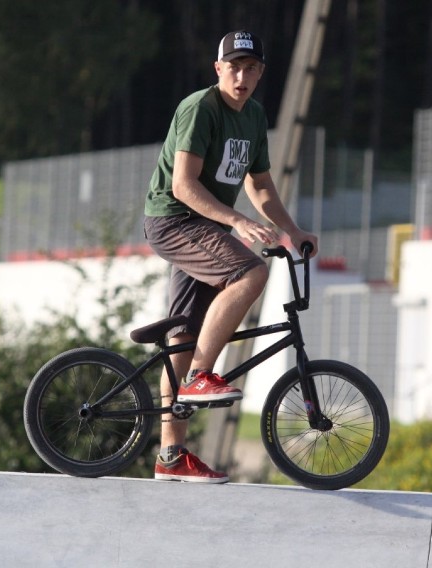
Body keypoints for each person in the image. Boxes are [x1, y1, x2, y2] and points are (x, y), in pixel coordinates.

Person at [143, 30, 319, 483]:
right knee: (249, 273)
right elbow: (183, 186)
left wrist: (292, 230)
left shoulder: (254, 117)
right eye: (233, 67)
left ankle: (171, 457)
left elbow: (259, 187)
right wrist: (238, 223)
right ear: (218, 69)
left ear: (261, 73)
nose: (241, 76)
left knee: (181, 339)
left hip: (205, 227)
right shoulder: (200, 108)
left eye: (251, 68)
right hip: (175, 220)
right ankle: (203, 375)